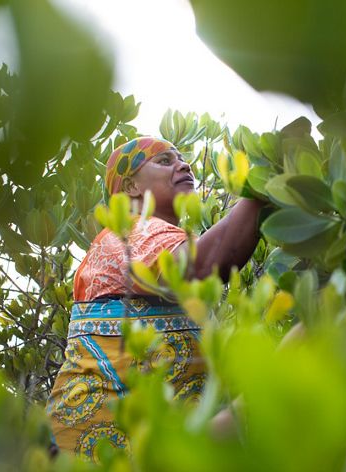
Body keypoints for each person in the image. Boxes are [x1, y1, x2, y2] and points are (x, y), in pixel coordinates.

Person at [45, 136, 265, 460]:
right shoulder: (129, 232)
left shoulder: (161, 238)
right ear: (131, 185)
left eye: (181, 158)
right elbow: (203, 268)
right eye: (164, 161)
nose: (184, 165)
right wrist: (268, 178)